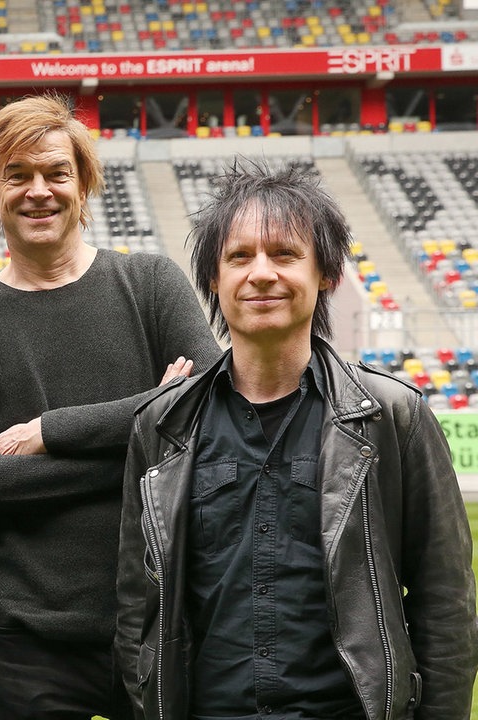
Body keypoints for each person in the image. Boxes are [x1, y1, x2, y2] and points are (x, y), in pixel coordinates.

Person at [116, 161, 478, 719]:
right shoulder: (162, 427)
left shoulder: (392, 417)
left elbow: (446, 609)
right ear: (213, 278)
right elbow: (138, 607)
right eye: (239, 257)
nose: (261, 274)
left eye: (284, 254)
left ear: (326, 274)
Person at [0, 94, 221, 720]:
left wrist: (52, 431)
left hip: (166, 620)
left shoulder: (150, 284)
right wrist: (145, 444)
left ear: (83, 184)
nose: (39, 191)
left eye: (56, 173)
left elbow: (208, 407)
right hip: (28, 639)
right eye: (18, 175)